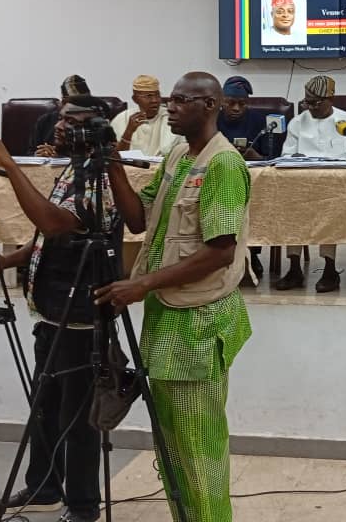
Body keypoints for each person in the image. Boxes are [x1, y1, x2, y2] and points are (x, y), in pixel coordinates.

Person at [96, 72, 252, 522]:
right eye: (171, 100)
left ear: (210, 105)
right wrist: (111, 163)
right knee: (172, 447)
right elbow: (137, 219)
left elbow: (220, 252)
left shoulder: (223, 165)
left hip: (198, 324)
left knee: (198, 448)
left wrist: (141, 284)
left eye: (183, 101)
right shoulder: (179, 155)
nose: (171, 109)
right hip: (167, 319)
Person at [0, 95, 116, 522]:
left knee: (78, 418)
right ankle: (44, 487)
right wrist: (9, 260)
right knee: (45, 407)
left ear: (93, 129)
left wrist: (9, 164)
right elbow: (51, 237)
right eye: (60, 117)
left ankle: (83, 505)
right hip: (52, 311)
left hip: (81, 317)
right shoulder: (71, 169)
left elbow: (55, 222)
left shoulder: (101, 178)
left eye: (70, 120)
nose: (59, 124)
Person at [274, 74, 346, 292]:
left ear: (330, 100)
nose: (311, 107)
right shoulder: (298, 123)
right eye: (307, 102)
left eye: (316, 103)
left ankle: (330, 269)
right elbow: (286, 156)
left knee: (330, 211)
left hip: (337, 189)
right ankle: (294, 268)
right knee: (291, 207)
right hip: (302, 186)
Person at [216, 75, 282, 286]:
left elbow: (274, 159)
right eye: (231, 103)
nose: (236, 108)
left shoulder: (260, 122)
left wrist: (256, 156)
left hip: (254, 180)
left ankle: (252, 253)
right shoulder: (211, 119)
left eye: (242, 104)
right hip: (219, 177)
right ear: (221, 101)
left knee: (257, 205)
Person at [109, 74, 180, 157]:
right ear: (135, 99)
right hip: (130, 164)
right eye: (148, 96)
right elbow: (115, 157)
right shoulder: (121, 119)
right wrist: (129, 131)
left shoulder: (170, 117)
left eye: (157, 95)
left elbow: (173, 150)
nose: (155, 100)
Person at [27, 74, 91, 156]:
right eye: (65, 102)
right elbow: (30, 153)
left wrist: (58, 157)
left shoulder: (93, 125)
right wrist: (39, 155)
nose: (57, 126)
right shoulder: (45, 121)